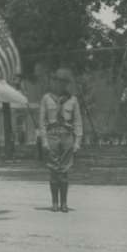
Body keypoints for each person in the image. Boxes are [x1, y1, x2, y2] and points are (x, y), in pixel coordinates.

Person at [41, 68, 83, 212]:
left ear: (66, 84)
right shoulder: (46, 99)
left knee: (64, 170)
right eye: (58, 82)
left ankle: (64, 203)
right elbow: (42, 122)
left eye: (63, 83)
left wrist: (77, 141)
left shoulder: (73, 100)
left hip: (67, 136)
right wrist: (44, 141)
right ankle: (54, 203)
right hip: (52, 135)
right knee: (53, 170)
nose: (60, 85)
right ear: (54, 82)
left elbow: (78, 122)